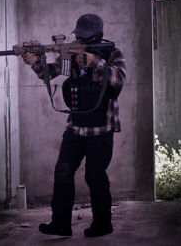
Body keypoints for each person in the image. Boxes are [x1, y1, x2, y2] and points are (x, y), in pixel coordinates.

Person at [21, 14, 126, 237]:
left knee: (95, 176)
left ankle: (102, 224)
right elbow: (48, 74)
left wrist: (95, 61)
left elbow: (118, 80)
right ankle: (60, 223)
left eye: (84, 36)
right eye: (78, 34)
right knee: (63, 171)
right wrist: (34, 62)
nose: (79, 38)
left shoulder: (113, 53)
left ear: (98, 35)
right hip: (76, 127)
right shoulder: (70, 55)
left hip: (101, 128)